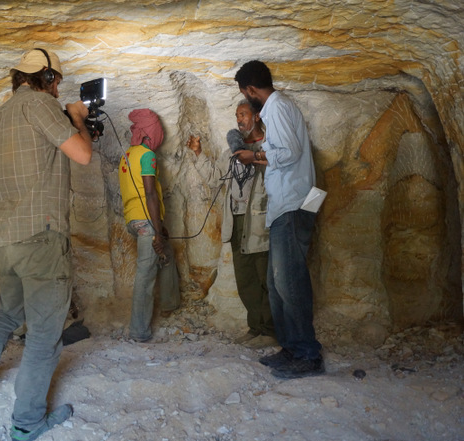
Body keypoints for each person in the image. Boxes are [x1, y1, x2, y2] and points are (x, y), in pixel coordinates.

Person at [0, 48, 93, 441]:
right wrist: (77, 118)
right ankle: (27, 421)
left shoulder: (1, 116)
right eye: (57, 81)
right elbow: (81, 154)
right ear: (46, 78)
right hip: (41, 238)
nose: (58, 87)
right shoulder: (42, 105)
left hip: (6, 239)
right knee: (46, 332)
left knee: (7, 315)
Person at [234, 60, 324, 379]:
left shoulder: (276, 106)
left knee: (290, 281)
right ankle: (290, 348)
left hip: (294, 204)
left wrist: (254, 156)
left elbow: (289, 152)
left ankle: (307, 354)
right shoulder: (277, 108)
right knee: (277, 283)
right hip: (290, 204)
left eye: (245, 94)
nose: (248, 100)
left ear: (251, 89)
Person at [187, 100, 275, 347]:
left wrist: (257, 158)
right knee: (245, 277)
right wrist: (198, 154)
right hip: (236, 220)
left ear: (256, 117)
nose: (239, 120)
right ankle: (256, 327)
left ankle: (270, 331)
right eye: (237, 115)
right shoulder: (231, 154)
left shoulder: (267, 147)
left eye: (244, 114)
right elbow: (217, 179)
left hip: (260, 221)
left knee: (264, 276)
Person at [118, 108, 180, 342]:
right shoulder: (147, 155)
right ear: (148, 132)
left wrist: (160, 228)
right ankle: (139, 331)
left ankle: (169, 305)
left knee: (167, 255)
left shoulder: (126, 156)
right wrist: (156, 232)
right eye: (157, 130)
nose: (159, 134)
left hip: (132, 220)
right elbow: (150, 194)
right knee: (145, 275)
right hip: (146, 220)